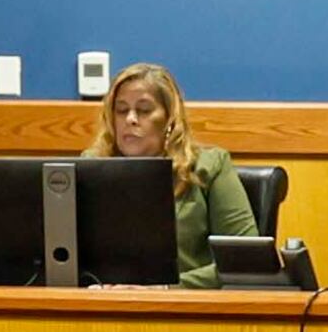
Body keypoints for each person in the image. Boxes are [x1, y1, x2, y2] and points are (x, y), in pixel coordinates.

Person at [89, 62, 257, 288]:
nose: (130, 119)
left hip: (185, 309)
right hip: (101, 306)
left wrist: (167, 288)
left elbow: (246, 261)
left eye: (144, 110)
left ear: (170, 120)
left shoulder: (208, 167)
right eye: (121, 110)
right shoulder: (91, 167)